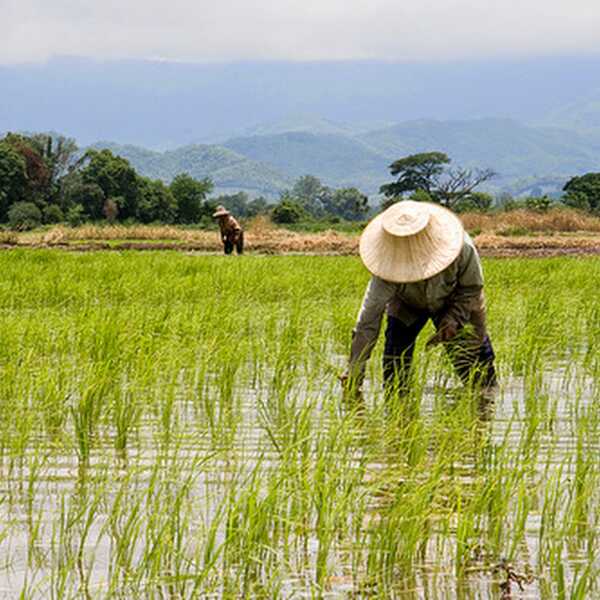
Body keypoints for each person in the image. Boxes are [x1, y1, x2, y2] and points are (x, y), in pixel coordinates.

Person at [342, 200, 496, 401]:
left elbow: (471, 288)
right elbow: (368, 320)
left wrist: (452, 319)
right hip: (406, 305)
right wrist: (355, 370)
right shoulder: (385, 266)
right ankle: (399, 416)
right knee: (395, 368)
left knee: (478, 371)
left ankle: (483, 411)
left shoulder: (462, 247)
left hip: (455, 300)